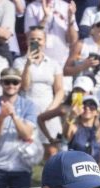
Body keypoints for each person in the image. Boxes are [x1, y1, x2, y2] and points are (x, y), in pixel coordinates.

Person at [14, 26, 65, 160]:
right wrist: (28, 65)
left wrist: (51, 109)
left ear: (44, 41)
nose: (36, 42)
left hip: (48, 108)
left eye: (39, 39)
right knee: (26, 150)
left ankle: (50, 179)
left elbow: (59, 90)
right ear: (27, 40)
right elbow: (23, 87)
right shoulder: (19, 62)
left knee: (52, 150)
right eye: (32, 39)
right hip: (27, 108)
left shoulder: (53, 64)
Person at [64, 11, 100, 97]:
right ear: (93, 27)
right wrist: (82, 66)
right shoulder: (81, 44)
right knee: (76, 109)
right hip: (80, 89)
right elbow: (65, 71)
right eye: (99, 24)